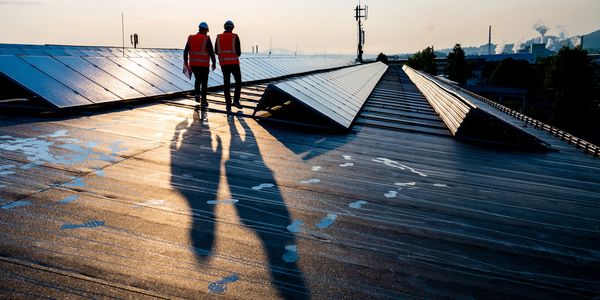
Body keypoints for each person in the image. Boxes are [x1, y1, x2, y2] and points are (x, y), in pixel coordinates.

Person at [184, 22, 216, 109]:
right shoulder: (206, 39)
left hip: (193, 64)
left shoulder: (191, 38)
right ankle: (204, 101)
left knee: (197, 79)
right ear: (205, 30)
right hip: (204, 65)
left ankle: (197, 95)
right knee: (204, 82)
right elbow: (211, 52)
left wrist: (186, 62)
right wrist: (214, 62)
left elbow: (186, 51)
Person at [215, 20, 243, 112]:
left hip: (224, 64)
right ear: (232, 28)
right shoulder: (235, 36)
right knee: (238, 82)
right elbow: (238, 53)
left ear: (225, 27)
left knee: (226, 84)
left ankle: (228, 105)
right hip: (234, 63)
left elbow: (216, 51)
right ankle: (236, 101)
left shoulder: (218, 37)